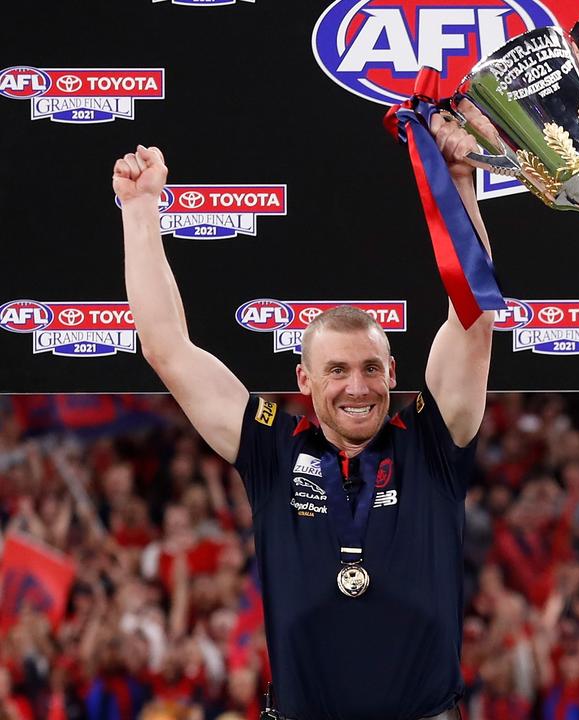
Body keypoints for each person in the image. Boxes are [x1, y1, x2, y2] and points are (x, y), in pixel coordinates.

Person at [112, 106, 499, 719]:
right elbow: (168, 350)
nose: (357, 387)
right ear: (304, 381)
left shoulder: (432, 441)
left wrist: (459, 188)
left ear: (393, 374)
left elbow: (473, 319)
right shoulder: (272, 448)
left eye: (372, 368)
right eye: (337, 371)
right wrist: (140, 213)